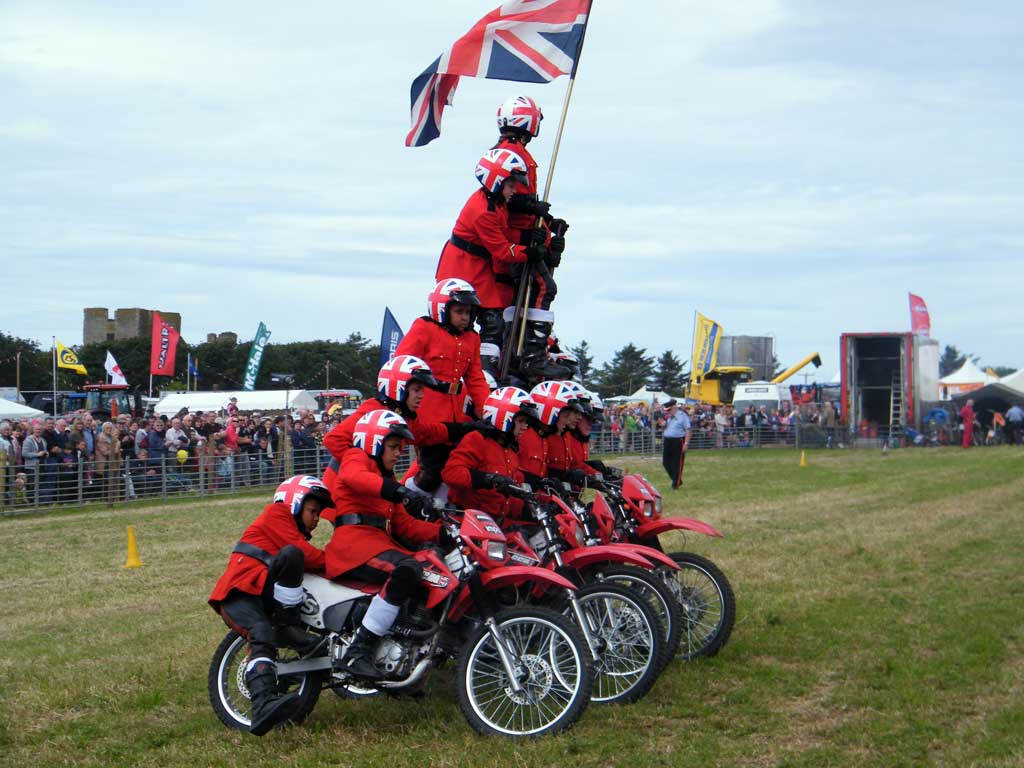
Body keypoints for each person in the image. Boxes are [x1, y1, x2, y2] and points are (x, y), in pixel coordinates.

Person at [323, 410, 446, 680]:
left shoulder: (387, 481)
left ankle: (404, 656)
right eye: (393, 446)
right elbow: (356, 477)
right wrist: (402, 491)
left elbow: (406, 526)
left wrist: (445, 533)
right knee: (408, 569)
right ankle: (358, 651)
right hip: (354, 548)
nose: (399, 453)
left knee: (431, 569)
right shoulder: (357, 457)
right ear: (374, 443)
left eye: (401, 448)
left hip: (378, 544)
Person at [208, 475, 333, 736]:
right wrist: (341, 559)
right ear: (294, 502)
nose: (316, 519)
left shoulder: (286, 528)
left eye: (318, 513)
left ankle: (289, 630)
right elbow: (303, 553)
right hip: (240, 592)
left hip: (262, 591)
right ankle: (262, 704)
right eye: (312, 511)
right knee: (261, 630)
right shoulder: (276, 513)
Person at [434, 147, 557, 377]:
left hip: (477, 265)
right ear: (497, 183)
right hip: (463, 267)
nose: (514, 191)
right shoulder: (484, 211)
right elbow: (502, 250)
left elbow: (504, 234)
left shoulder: (495, 203)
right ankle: (478, 371)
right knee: (475, 322)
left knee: (493, 323)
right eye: (511, 185)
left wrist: (529, 238)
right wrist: (530, 251)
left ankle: (487, 370)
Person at [321, 355, 469, 500]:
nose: (422, 395)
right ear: (400, 387)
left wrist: (465, 427)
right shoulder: (375, 411)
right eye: (417, 390)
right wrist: (368, 469)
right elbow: (333, 439)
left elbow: (427, 433)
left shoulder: (402, 416)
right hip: (344, 491)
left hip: (367, 487)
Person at [393, 279, 492, 491]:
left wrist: (489, 413)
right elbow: (401, 364)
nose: (465, 317)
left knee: (454, 469)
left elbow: (476, 379)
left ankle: (442, 512)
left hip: (457, 416)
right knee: (432, 473)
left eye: (468, 311)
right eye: (459, 311)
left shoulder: (472, 338)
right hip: (428, 412)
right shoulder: (424, 328)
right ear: (442, 309)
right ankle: (411, 499)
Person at [442, 387, 537, 525]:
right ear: (503, 416)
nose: (525, 427)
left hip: (498, 524)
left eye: (526, 422)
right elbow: (451, 473)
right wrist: (489, 479)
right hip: (469, 523)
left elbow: (513, 481)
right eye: (521, 421)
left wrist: (535, 505)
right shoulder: (477, 439)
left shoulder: (509, 448)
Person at [661, 399, 691, 490]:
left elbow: (688, 430)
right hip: (668, 441)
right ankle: (676, 479)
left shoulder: (683, 416)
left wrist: (686, 443)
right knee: (665, 462)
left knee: (676, 463)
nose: (668, 412)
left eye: (669, 410)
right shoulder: (669, 418)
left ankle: (676, 484)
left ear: (674, 408)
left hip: (677, 441)